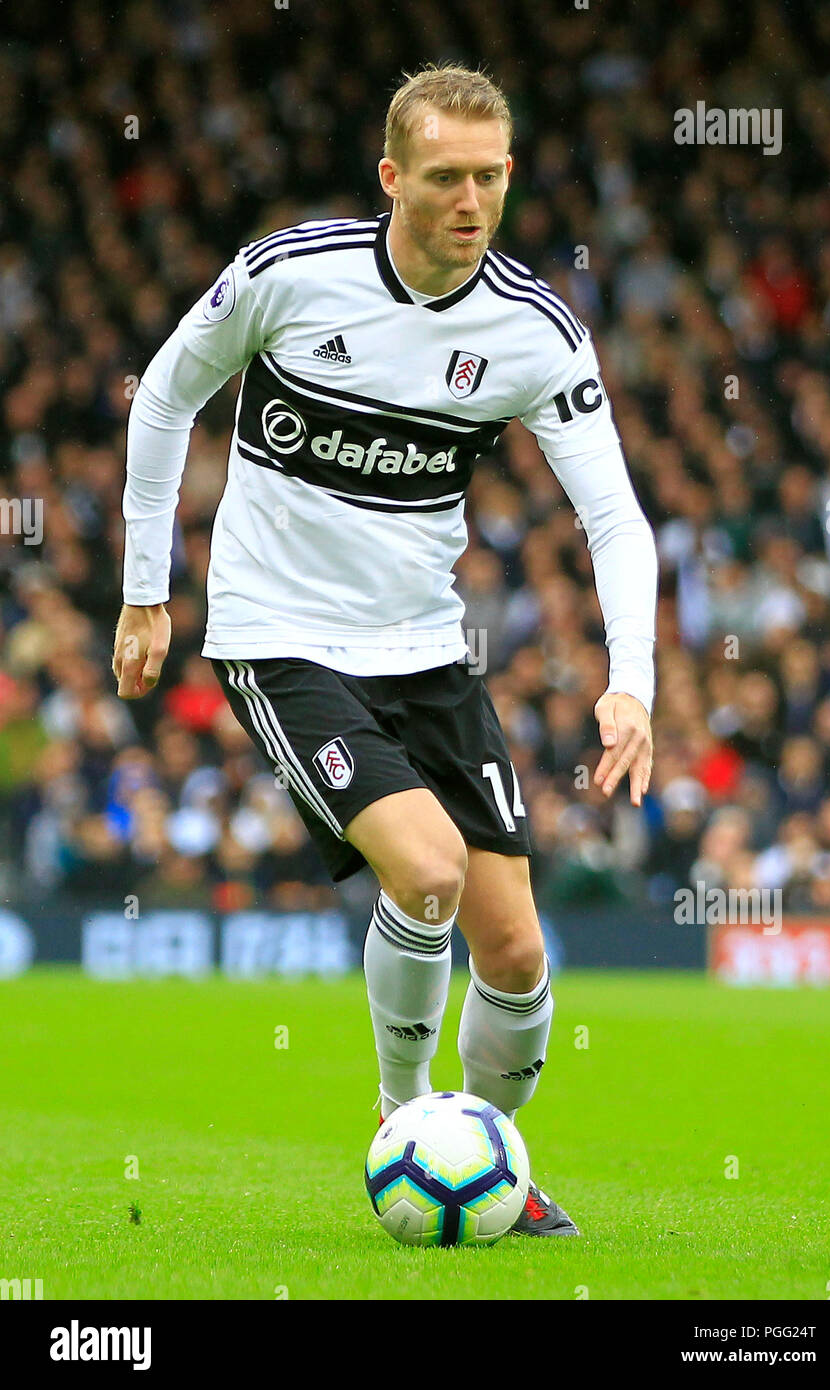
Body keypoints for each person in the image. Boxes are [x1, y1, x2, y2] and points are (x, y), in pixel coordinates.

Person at [113, 63, 657, 1236]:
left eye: (489, 176)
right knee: (424, 871)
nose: (469, 200)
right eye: (444, 177)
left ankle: (493, 1171)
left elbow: (611, 515)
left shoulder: (531, 332)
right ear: (391, 177)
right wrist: (145, 591)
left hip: (424, 649)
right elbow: (164, 395)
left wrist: (630, 683)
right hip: (278, 635)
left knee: (513, 950)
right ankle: (402, 1118)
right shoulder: (287, 276)